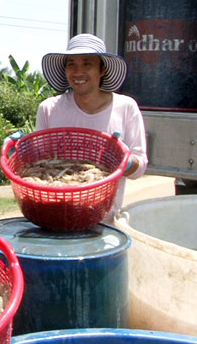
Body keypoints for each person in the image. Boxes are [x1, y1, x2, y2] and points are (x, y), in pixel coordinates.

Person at [36, 33, 148, 223]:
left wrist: (125, 160)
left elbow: (140, 167)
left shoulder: (126, 107)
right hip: (54, 217)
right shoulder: (48, 109)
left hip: (104, 221)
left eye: (87, 64)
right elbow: (37, 165)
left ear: (102, 70)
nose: (78, 72)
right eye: (71, 64)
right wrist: (18, 151)